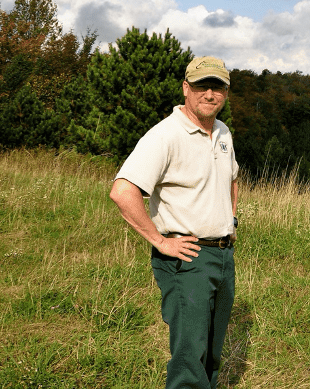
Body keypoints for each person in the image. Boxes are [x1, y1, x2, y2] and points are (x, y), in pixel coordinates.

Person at [109, 56, 239, 389]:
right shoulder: (165, 135)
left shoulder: (222, 132)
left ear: (226, 91)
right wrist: (161, 241)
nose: (209, 94)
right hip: (187, 258)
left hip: (223, 256)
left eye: (218, 87)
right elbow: (123, 192)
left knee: (210, 352)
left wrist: (232, 220)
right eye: (201, 86)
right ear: (186, 88)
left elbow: (232, 178)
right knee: (189, 355)